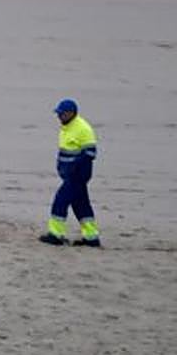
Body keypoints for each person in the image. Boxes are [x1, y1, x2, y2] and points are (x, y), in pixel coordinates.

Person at [39, 99, 101, 247]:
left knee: (60, 201)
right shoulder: (66, 128)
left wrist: (74, 166)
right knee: (81, 205)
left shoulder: (83, 129)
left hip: (77, 175)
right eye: (58, 114)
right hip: (70, 174)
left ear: (70, 113)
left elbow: (91, 153)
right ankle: (91, 238)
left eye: (61, 114)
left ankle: (56, 234)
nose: (59, 117)